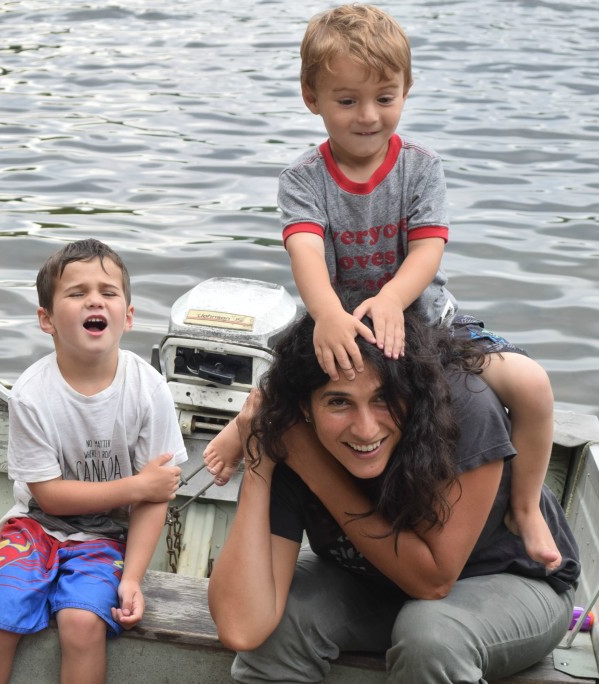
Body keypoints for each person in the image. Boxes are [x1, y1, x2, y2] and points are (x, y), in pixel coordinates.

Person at [203, 2, 561, 571]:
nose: (368, 115)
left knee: (534, 386)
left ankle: (524, 508)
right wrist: (325, 313)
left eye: (385, 97)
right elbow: (305, 250)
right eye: (347, 101)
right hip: (338, 316)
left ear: (406, 90)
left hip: (427, 323)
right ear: (311, 97)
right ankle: (244, 422)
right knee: (287, 383)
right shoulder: (303, 179)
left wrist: (394, 297)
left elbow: (427, 249)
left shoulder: (420, 167)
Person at [207, 301, 580, 683]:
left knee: (430, 636)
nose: (366, 430)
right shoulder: (291, 433)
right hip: (374, 582)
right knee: (279, 619)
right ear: (305, 407)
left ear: (411, 391)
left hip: (511, 580)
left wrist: (314, 468)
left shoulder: (465, 409)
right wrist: (258, 458)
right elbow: (242, 628)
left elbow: (433, 582)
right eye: (339, 402)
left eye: (384, 398)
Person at [0, 238, 187, 684]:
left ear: (128, 315)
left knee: (82, 622)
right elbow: (48, 495)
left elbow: (156, 497)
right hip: (35, 526)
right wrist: (134, 487)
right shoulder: (32, 392)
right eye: (76, 292)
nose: (94, 300)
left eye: (108, 291)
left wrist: (134, 579)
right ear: (46, 319)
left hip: (107, 537)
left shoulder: (149, 389)